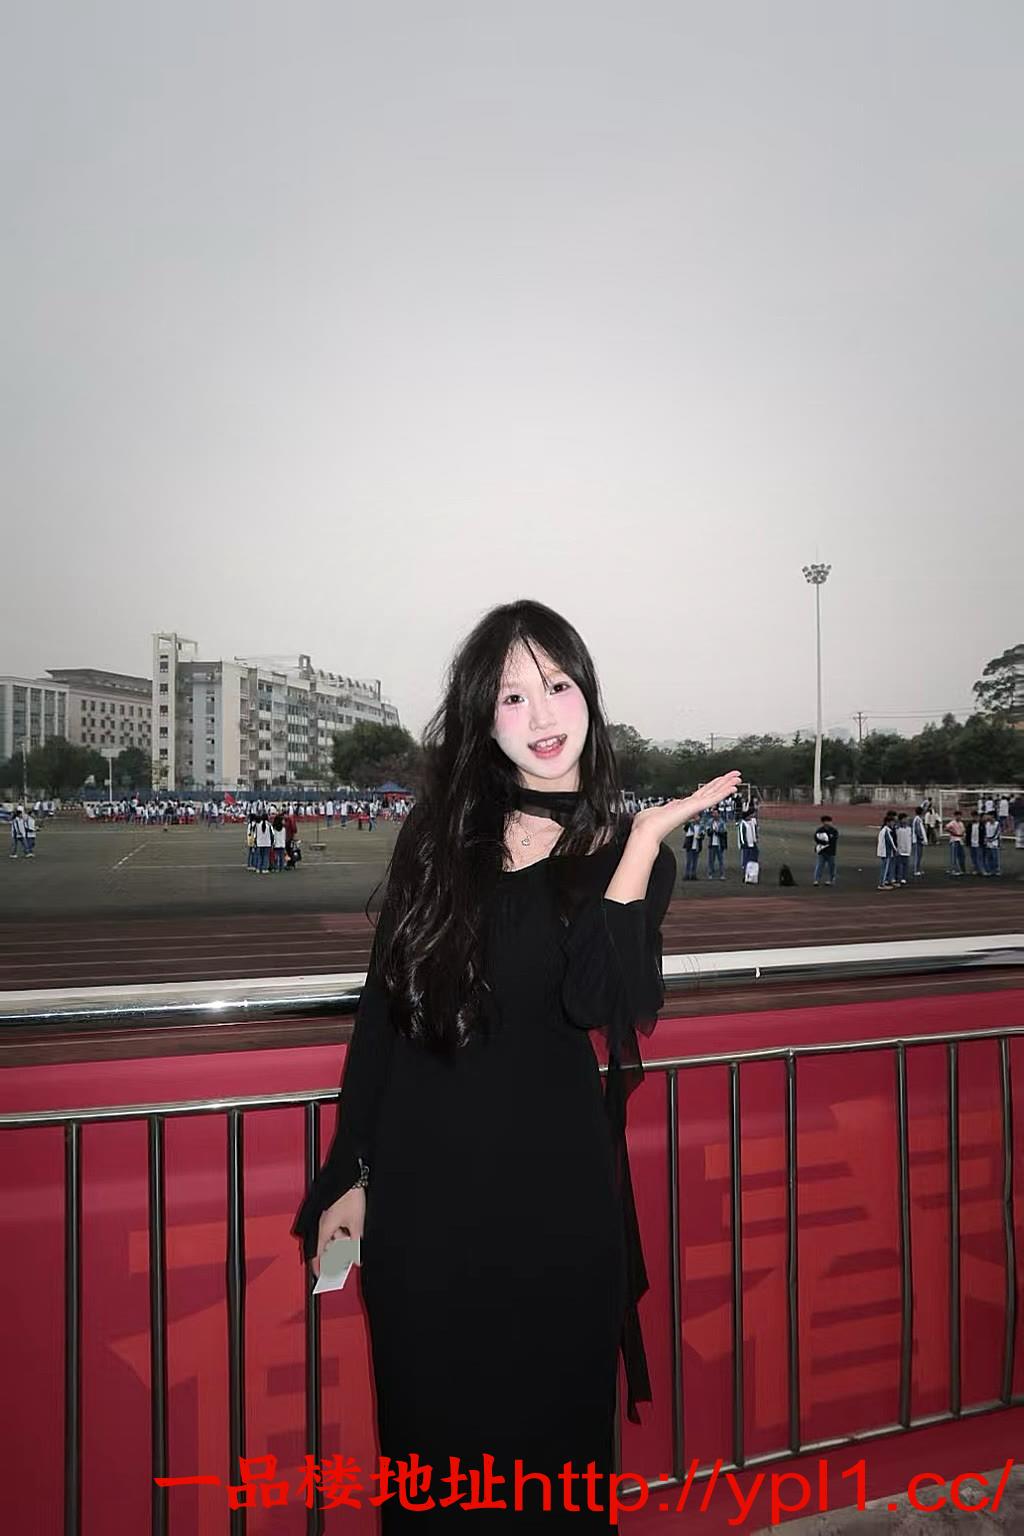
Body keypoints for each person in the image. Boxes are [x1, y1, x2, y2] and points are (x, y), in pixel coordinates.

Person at [291, 600, 740, 1533]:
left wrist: (637, 848)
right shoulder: (438, 840)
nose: (541, 715)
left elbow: (595, 1003)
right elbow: (383, 1011)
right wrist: (350, 1169)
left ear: (589, 698)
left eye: (558, 686)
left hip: (555, 1211)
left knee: (553, 1474)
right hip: (425, 1207)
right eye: (512, 696)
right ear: (482, 718)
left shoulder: (629, 854)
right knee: (432, 1463)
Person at [813, 815, 838, 885]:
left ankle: (831, 880)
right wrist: (823, 842)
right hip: (822, 851)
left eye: (829, 821)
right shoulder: (820, 830)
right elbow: (816, 838)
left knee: (832, 866)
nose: (829, 823)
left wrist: (826, 841)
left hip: (831, 851)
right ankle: (816, 880)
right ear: (824, 822)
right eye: (827, 821)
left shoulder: (834, 830)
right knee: (820, 866)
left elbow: (834, 840)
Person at [876, 813, 897, 889]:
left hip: (884, 852)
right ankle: (882, 884)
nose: (893, 823)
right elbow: (890, 841)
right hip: (886, 852)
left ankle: (884, 882)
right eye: (892, 822)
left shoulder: (884, 830)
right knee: (885, 868)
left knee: (885, 868)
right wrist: (895, 850)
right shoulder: (886, 831)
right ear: (888, 822)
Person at [705, 810, 727, 879]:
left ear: (719, 814)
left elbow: (724, 832)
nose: (714, 815)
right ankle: (710, 874)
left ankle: (722, 874)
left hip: (719, 844)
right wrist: (712, 831)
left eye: (716, 813)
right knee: (711, 860)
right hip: (712, 844)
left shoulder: (722, 822)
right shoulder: (710, 822)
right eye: (713, 813)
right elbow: (708, 832)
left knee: (721, 860)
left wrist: (718, 832)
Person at [738, 808, 759, 879]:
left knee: (753, 860)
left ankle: (753, 874)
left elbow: (754, 831)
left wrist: (755, 840)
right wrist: (744, 844)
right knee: (746, 861)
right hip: (746, 846)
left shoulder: (752, 822)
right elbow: (742, 836)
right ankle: (745, 874)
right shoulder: (743, 824)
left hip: (753, 844)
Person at [944, 812, 966, 876]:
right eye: (957, 816)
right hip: (954, 840)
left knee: (962, 856)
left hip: (960, 840)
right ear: (955, 816)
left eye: (960, 816)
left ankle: (962, 869)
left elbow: (963, 831)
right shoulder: (952, 823)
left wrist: (962, 835)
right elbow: (946, 828)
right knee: (954, 856)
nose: (959, 817)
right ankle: (954, 869)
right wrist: (952, 832)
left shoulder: (961, 823)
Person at [894, 814, 913, 885]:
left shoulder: (909, 829)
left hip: (907, 850)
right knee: (898, 865)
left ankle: (903, 878)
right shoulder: (897, 829)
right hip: (899, 850)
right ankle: (897, 878)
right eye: (905, 819)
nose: (907, 820)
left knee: (905, 865)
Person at [911, 806, 928, 878]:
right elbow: (917, 830)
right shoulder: (917, 820)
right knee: (917, 855)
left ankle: (918, 869)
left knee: (919, 855)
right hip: (917, 840)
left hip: (918, 840)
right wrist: (921, 838)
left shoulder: (919, 819)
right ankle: (916, 870)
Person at [983, 812, 1001, 877]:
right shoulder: (987, 824)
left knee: (995, 857)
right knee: (989, 857)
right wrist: (986, 839)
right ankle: (990, 870)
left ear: (992, 816)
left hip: (994, 843)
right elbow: (985, 832)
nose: (987, 817)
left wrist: (991, 839)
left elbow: (997, 834)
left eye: (989, 816)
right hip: (988, 843)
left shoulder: (997, 824)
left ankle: (997, 870)